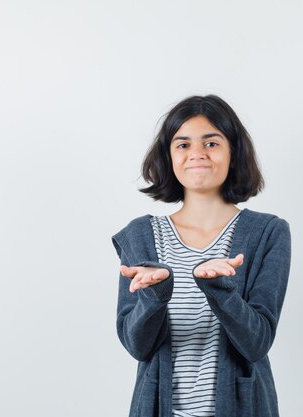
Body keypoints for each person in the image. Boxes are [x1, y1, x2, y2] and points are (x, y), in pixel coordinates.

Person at [111, 94, 291, 417]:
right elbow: (137, 345)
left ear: (233, 153)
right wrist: (154, 296)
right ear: (169, 157)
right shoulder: (139, 237)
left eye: (211, 143)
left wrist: (220, 289)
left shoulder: (268, 233)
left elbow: (257, 342)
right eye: (183, 145)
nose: (197, 154)